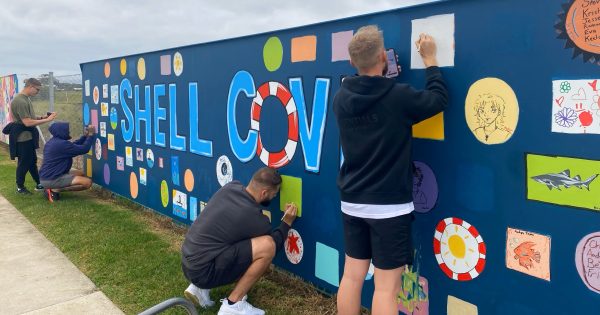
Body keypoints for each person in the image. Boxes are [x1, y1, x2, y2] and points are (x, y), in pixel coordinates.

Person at [332, 25, 448, 315]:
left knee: (351, 276)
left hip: (352, 201)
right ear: (384, 57)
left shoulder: (341, 98)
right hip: (388, 208)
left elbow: (370, 99)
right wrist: (430, 60)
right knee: (386, 288)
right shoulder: (398, 97)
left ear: (351, 62)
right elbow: (438, 99)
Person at [181, 167, 298, 315]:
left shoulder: (231, 186)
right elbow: (276, 242)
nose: (274, 197)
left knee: (229, 239)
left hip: (188, 263)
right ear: (264, 193)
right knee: (267, 246)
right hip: (204, 271)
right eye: (274, 194)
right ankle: (233, 304)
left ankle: (198, 289)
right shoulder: (256, 220)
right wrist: (286, 222)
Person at [8, 78, 57, 194]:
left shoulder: (26, 99)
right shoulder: (20, 101)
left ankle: (39, 183)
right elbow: (27, 122)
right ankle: (20, 187)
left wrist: (43, 117)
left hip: (28, 136)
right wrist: (47, 120)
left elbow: (30, 118)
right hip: (22, 138)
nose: (38, 92)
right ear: (30, 87)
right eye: (37, 90)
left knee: (31, 161)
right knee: (24, 162)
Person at [39, 122, 95, 202]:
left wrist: (84, 136)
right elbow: (84, 149)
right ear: (61, 131)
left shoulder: (54, 142)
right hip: (52, 178)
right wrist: (91, 135)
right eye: (66, 130)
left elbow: (73, 145)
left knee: (81, 173)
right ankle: (55, 189)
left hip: (48, 176)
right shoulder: (61, 144)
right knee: (87, 183)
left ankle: (52, 188)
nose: (68, 132)